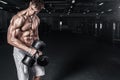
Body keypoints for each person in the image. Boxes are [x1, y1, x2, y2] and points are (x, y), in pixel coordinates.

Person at [7, 0, 45, 80]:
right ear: (30, 5)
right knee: (23, 76)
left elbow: (36, 35)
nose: (33, 13)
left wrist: (38, 49)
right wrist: (29, 50)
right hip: (20, 49)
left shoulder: (36, 19)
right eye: (32, 9)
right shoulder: (18, 18)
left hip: (33, 48)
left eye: (36, 11)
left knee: (39, 72)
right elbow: (10, 39)